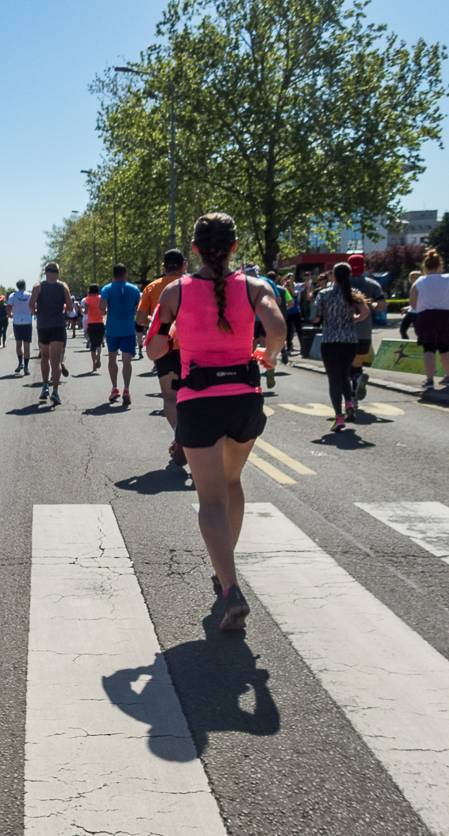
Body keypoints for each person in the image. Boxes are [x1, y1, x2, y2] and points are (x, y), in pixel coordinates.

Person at [146, 212, 285, 631]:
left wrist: (171, 337)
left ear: (194, 250)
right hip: (244, 399)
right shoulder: (256, 287)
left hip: (199, 400)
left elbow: (153, 351)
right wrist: (268, 356)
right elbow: (276, 326)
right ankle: (226, 573)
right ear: (235, 247)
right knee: (231, 483)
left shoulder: (175, 292)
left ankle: (230, 588)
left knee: (209, 500)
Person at [135, 249, 187, 464]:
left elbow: (140, 318)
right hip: (193, 348)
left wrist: (158, 320)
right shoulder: (193, 284)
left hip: (164, 348)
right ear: (184, 265)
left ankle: (179, 435)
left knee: (169, 397)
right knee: (196, 396)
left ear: (164, 267)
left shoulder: (153, 287)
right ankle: (197, 440)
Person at [312, 262, 370, 430]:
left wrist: (320, 319)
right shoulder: (353, 293)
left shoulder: (324, 294)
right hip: (350, 340)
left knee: (334, 379)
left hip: (330, 340)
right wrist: (353, 320)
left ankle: (339, 416)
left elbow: (316, 318)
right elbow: (365, 312)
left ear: (334, 275)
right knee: (344, 374)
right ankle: (350, 403)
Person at [411, 248, 449, 388]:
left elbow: (413, 301)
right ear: (440, 265)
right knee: (445, 347)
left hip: (426, 316)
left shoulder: (420, 281)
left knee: (429, 348)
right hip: (446, 315)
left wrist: (420, 309)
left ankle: (430, 379)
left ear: (425, 266)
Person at [29, 262, 73, 405]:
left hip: (43, 326)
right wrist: (61, 310)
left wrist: (36, 312)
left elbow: (31, 303)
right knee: (56, 360)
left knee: (45, 356)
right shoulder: (63, 286)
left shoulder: (38, 286)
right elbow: (70, 307)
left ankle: (45, 386)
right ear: (58, 273)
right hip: (58, 326)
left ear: (46, 272)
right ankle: (55, 391)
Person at [346, 254, 387, 402]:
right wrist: (373, 305)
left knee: (345, 364)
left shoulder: (342, 283)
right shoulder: (372, 284)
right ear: (363, 266)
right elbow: (382, 305)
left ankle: (355, 384)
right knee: (357, 361)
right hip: (364, 329)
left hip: (345, 329)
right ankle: (355, 389)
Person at [98, 264, 141, 406]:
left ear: (113, 274)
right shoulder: (134, 289)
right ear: (125, 274)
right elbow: (138, 309)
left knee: (112, 358)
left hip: (112, 329)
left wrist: (106, 313)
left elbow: (101, 308)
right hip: (128, 328)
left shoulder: (107, 288)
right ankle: (126, 389)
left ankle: (114, 387)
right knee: (127, 360)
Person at [7, 279, 33, 374]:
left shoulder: (13, 295)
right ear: (25, 286)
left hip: (17, 321)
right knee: (27, 345)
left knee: (18, 344)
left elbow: (8, 306)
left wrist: (9, 314)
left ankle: (20, 362)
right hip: (27, 321)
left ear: (17, 286)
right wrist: (33, 313)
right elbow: (34, 305)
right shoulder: (30, 295)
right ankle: (26, 366)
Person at [82, 284, 105, 372]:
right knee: (98, 342)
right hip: (100, 322)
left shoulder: (88, 299)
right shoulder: (101, 298)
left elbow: (86, 311)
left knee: (92, 343)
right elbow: (104, 311)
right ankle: (98, 355)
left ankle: (93, 364)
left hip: (91, 323)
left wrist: (82, 310)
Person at [283, 275, 304, 355]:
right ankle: (288, 348)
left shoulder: (295, 290)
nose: (288, 287)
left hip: (296, 312)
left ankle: (303, 347)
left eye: (289, 285)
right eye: (287, 285)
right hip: (288, 313)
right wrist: (286, 286)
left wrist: (291, 286)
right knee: (288, 331)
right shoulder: (284, 291)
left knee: (299, 329)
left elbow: (295, 294)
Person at [399, 271, 422, 340]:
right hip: (411, 312)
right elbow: (414, 302)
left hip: (418, 313)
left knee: (418, 331)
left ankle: (423, 345)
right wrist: (407, 307)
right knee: (402, 329)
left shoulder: (421, 287)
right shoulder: (413, 287)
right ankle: (406, 342)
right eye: (410, 278)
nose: (412, 279)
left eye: (414, 277)